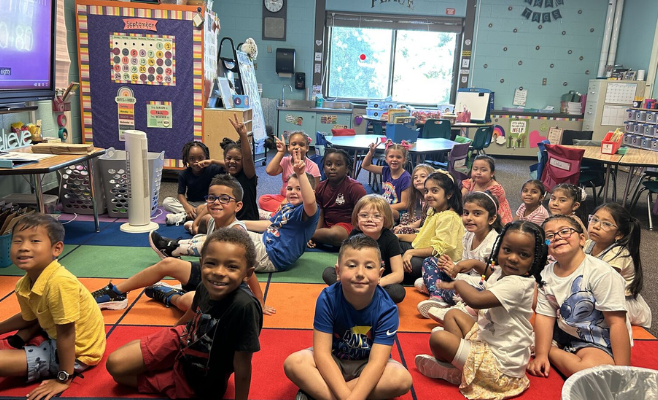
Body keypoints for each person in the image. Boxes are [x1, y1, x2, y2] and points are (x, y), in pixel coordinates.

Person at [105, 228, 263, 399]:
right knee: (115, 363)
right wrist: (166, 342)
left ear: (247, 274)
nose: (219, 272)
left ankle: (168, 298)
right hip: (184, 339)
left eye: (232, 267)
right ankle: (168, 298)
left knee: (119, 374)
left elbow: (243, 365)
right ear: (201, 263)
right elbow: (190, 315)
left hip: (197, 380)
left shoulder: (244, 307)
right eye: (211, 263)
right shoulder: (206, 285)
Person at [92, 175, 273, 316]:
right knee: (167, 263)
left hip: (226, 288)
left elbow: (249, 273)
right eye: (212, 197)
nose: (217, 202)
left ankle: (169, 295)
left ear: (238, 206)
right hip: (208, 279)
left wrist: (260, 302)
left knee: (192, 303)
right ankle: (116, 292)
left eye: (225, 199)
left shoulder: (236, 232)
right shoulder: (212, 221)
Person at [415, 221, 547, 400]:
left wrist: (458, 283)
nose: (513, 258)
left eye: (523, 254)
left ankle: (460, 371)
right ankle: (459, 367)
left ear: (535, 259)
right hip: (488, 340)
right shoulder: (507, 273)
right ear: (499, 248)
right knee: (452, 314)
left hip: (500, 366)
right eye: (507, 250)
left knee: (438, 338)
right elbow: (494, 280)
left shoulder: (518, 284)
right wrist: (477, 264)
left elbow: (476, 301)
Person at [283, 234, 412, 400]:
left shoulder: (387, 309)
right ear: (338, 271)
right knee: (294, 363)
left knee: (401, 380)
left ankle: (317, 393)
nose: (360, 273)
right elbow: (322, 354)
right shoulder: (328, 298)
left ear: (380, 274)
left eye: (369, 267)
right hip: (334, 360)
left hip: (367, 366)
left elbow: (376, 364)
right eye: (351, 265)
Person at [0, 214, 106, 399]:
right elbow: (28, 317)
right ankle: (20, 340)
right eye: (17, 241)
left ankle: (36, 349)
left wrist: (63, 378)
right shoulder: (24, 283)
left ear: (56, 248)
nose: (24, 247)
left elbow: (67, 334)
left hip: (77, 352)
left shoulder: (59, 283)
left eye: (34, 241)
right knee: (38, 316)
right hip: (56, 333)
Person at [528, 215, 632, 379]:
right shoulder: (545, 274)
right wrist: (541, 355)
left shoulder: (601, 273)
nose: (557, 237)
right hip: (563, 331)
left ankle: (551, 349)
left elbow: (616, 323)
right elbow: (544, 316)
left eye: (564, 231)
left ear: (582, 239)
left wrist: (624, 373)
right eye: (549, 236)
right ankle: (546, 347)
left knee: (594, 373)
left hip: (597, 340)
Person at [417, 191, 503, 318]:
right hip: (464, 280)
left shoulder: (494, 244)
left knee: (474, 293)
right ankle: (437, 297)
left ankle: (448, 300)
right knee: (430, 262)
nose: (469, 218)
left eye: (477, 214)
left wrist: (457, 276)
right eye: (466, 213)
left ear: (491, 219)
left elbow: (491, 281)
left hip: (481, 286)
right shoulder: (468, 235)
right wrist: (450, 265)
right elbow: (464, 264)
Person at [243, 149, 320, 272]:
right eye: (289, 188)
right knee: (231, 229)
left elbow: (310, 201)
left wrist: (301, 174)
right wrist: (239, 222)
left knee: (220, 245)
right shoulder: (289, 206)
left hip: (272, 256)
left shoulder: (307, 212)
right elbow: (269, 224)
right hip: (264, 240)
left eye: (299, 189)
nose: (293, 192)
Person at [322, 195, 406, 303]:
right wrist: (347, 278)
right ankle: (360, 297)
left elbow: (398, 274)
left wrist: (377, 282)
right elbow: (340, 264)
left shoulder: (390, 239)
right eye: (364, 215)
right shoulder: (354, 234)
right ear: (357, 218)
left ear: (385, 219)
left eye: (377, 216)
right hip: (355, 279)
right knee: (328, 273)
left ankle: (353, 297)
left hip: (379, 282)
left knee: (397, 291)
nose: (370, 220)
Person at [187, 113, 259, 233]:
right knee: (201, 208)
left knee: (204, 216)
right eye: (229, 158)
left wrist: (243, 135)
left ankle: (194, 226)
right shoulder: (227, 176)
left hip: (244, 224)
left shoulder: (248, 176)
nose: (232, 162)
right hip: (227, 219)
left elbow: (247, 158)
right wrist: (213, 161)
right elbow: (228, 164)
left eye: (237, 159)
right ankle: (193, 223)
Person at [585, 203, 651, 328]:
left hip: (622, 304)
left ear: (619, 234)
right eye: (594, 219)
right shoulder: (590, 243)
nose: (596, 226)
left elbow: (600, 283)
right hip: (601, 295)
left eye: (606, 224)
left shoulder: (618, 254)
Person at [396, 170, 464, 284]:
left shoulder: (449, 217)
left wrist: (410, 253)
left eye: (435, 191)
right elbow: (422, 236)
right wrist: (398, 237)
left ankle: (397, 278)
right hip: (426, 252)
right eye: (427, 191)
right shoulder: (434, 211)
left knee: (408, 261)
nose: (428, 195)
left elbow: (438, 250)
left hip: (438, 262)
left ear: (449, 194)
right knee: (393, 243)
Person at [310, 148, 367, 248]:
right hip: (326, 226)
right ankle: (315, 236)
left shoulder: (355, 188)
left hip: (346, 226)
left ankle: (306, 236)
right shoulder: (320, 187)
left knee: (334, 234)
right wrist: (316, 232)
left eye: (338, 164)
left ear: (347, 169)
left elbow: (363, 214)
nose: (332, 168)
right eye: (328, 164)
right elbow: (320, 214)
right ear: (323, 168)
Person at [162, 141, 224, 226]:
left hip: (207, 204)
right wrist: (187, 206)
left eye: (200, 158)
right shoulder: (184, 174)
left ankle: (185, 217)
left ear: (206, 157)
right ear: (186, 159)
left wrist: (212, 161)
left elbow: (228, 165)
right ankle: (194, 215)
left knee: (218, 207)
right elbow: (180, 194)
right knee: (167, 202)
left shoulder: (213, 169)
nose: (196, 161)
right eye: (192, 159)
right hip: (192, 203)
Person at [259, 131, 321, 215]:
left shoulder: (313, 166)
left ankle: (278, 214)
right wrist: (281, 152)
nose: (297, 147)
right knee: (263, 199)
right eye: (294, 144)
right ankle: (286, 213)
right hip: (284, 198)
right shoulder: (286, 160)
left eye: (301, 145)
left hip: (301, 201)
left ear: (307, 148)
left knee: (305, 208)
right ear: (289, 147)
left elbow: (313, 193)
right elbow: (270, 171)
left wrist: (288, 201)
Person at [361, 141, 411, 220]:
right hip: (385, 206)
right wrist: (371, 152)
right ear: (386, 159)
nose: (394, 159)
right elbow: (365, 165)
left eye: (398, 157)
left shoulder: (405, 178)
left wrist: (384, 207)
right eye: (391, 156)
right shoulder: (386, 170)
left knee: (384, 212)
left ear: (404, 160)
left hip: (399, 212)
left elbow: (404, 204)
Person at [460, 155, 513, 224]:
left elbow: (486, 208)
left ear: (492, 173)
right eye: (475, 169)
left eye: (483, 170)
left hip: (492, 216)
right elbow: (461, 197)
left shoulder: (495, 189)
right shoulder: (471, 182)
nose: (478, 172)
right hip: (475, 211)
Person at [395, 164, 435, 235]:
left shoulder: (433, 200)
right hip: (425, 223)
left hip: (431, 230)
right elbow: (424, 219)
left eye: (423, 176)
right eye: (415, 177)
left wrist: (410, 228)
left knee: (402, 231)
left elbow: (431, 224)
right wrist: (408, 226)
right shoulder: (422, 198)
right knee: (406, 216)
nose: (418, 179)